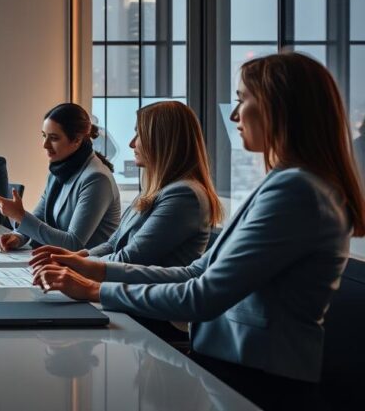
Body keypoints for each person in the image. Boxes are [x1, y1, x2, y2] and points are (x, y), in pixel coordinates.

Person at [33, 52, 365, 410]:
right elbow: (196, 271)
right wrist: (92, 270)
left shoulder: (297, 192)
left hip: (256, 382)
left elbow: (202, 295)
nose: (235, 115)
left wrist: (97, 289)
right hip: (240, 370)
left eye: (242, 100)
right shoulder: (290, 184)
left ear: (279, 106)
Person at [30, 101, 223, 270]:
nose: (132, 144)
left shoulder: (184, 195)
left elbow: (130, 258)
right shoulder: (155, 190)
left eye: (139, 135)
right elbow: (113, 243)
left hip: (146, 306)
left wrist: (74, 264)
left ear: (162, 141)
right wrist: (73, 259)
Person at [0, 103, 121, 251]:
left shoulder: (97, 179)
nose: (45, 145)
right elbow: (39, 216)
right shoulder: (59, 169)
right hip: (58, 263)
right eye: (44, 136)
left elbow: (73, 244)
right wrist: (19, 236)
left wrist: (21, 216)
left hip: (86, 269)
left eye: (53, 138)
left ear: (77, 139)